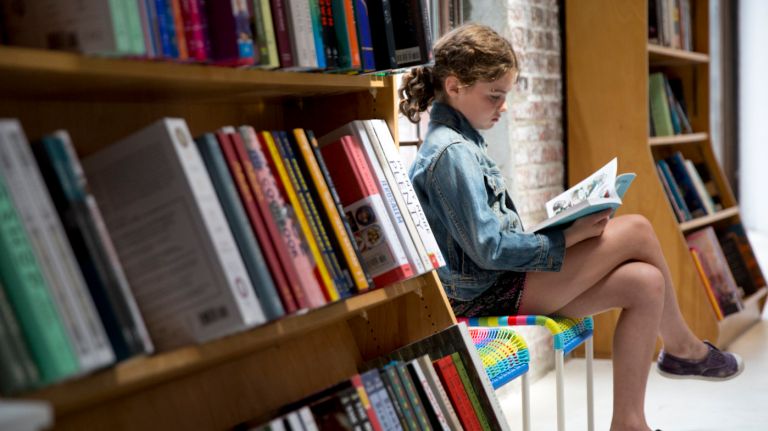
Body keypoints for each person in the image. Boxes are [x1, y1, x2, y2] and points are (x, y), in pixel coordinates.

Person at [401, 23, 743, 431]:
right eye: (495, 95)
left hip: (500, 282)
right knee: (636, 230)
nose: (503, 106)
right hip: (486, 291)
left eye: (505, 95)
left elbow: (488, 240)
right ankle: (684, 348)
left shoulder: (464, 140)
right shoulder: (451, 152)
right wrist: (569, 236)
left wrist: (561, 229)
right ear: (454, 87)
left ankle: (629, 423)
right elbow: (489, 250)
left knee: (646, 282)